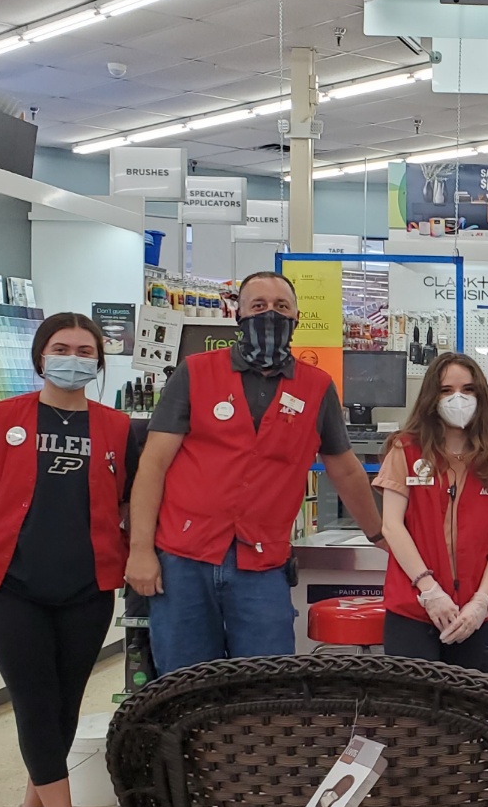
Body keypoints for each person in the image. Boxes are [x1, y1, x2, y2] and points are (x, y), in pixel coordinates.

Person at [127, 271, 384, 672]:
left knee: (266, 683)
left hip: (262, 564)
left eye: (281, 306)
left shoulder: (316, 387)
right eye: (258, 306)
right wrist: (141, 550)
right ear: (239, 315)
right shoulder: (195, 372)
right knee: (184, 682)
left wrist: (379, 535)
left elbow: (346, 470)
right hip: (184, 558)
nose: (270, 315)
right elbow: (153, 465)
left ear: (296, 317)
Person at [0, 312, 135, 807]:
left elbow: (125, 503)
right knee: (33, 699)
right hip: (12, 585)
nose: (73, 359)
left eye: (85, 351)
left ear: (99, 361)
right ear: (40, 356)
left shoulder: (119, 428)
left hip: (87, 585)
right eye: (61, 348)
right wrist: (0, 538)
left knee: (63, 703)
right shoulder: (0, 419)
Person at [377, 351, 488, 666]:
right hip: (413, 609)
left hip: (473, 616)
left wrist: (481, 601)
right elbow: (392, 526)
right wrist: (429, 590)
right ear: (432, 397)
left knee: (466, 698)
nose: (459, 398)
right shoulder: (406, 450)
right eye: (446, 390)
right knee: (414, 696)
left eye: (468, 389)